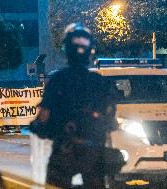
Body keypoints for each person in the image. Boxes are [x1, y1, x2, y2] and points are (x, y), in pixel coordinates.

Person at [30, 23, 123, 188]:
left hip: (65, 151)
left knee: (55, 182)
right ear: (91, 51)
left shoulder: (59, 80)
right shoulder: (101, 82)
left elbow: (44, 116)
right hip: (94, 155)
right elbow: (111, 118)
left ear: (67, 49)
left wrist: (38, 126)